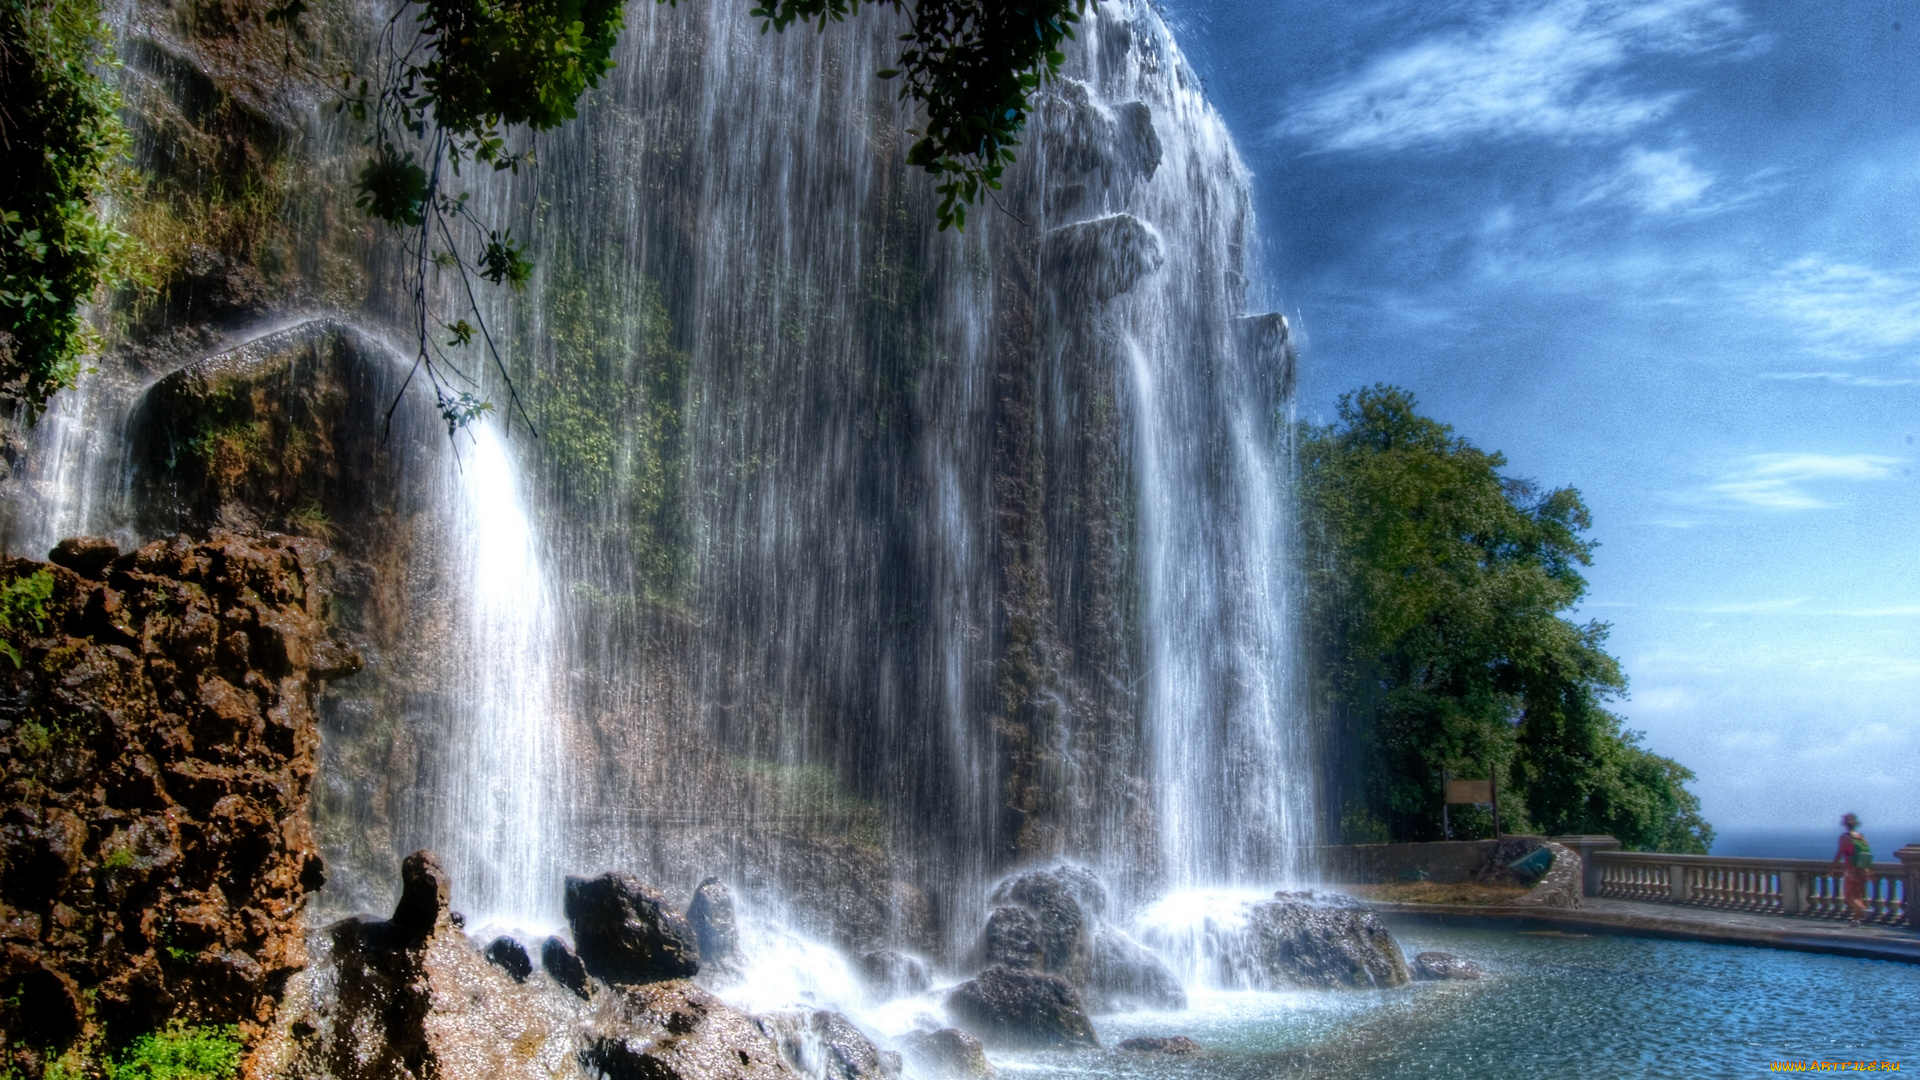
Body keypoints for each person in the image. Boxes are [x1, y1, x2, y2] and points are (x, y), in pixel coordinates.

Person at [1832, 813, 1872, 926]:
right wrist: (1869, 870)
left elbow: (1839, 854)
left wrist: (1832, 868)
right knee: (1857, 895)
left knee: (1849, 896)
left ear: (1845, 825)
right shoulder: (1862, 837)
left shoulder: (1845, 837)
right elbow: (1867, 854)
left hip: (1851, 869)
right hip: (1862, 869)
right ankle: (1856, 920)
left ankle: (1863, 910)